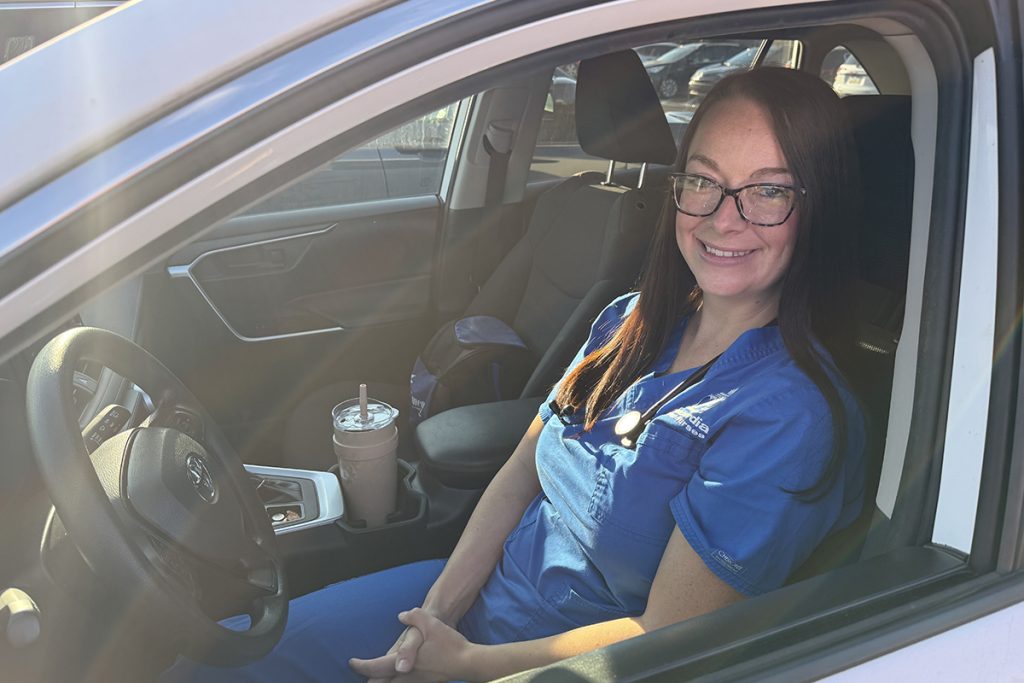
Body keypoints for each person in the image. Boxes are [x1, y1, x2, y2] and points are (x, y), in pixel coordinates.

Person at [164, 66, 866, 683]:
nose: (723, 217)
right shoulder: (632, 320)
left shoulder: (788, 416)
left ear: (818, 207)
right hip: (477, 606)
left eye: (767, 191)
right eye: (704, 181)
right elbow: (522, 470)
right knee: (227, 656)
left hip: (567, 666)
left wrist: (463, 663)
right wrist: (433, 619)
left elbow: (666, 638)